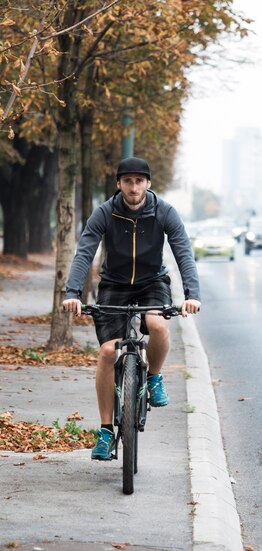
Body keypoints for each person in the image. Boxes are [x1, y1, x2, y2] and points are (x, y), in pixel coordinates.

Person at [63, 157, 201, 461]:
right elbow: (85, 251)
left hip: (153, 281)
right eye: (128, 181)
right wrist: (72, 293)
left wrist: (192, 294)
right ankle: (105, 432)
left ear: (148, 184)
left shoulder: (165, 212)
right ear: (119, 184)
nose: (134, 186)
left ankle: (153, 377)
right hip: (115, 284)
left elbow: (183, 252)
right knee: (108, 352)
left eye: (139, 181)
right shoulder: (105, 212)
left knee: (159, 326)